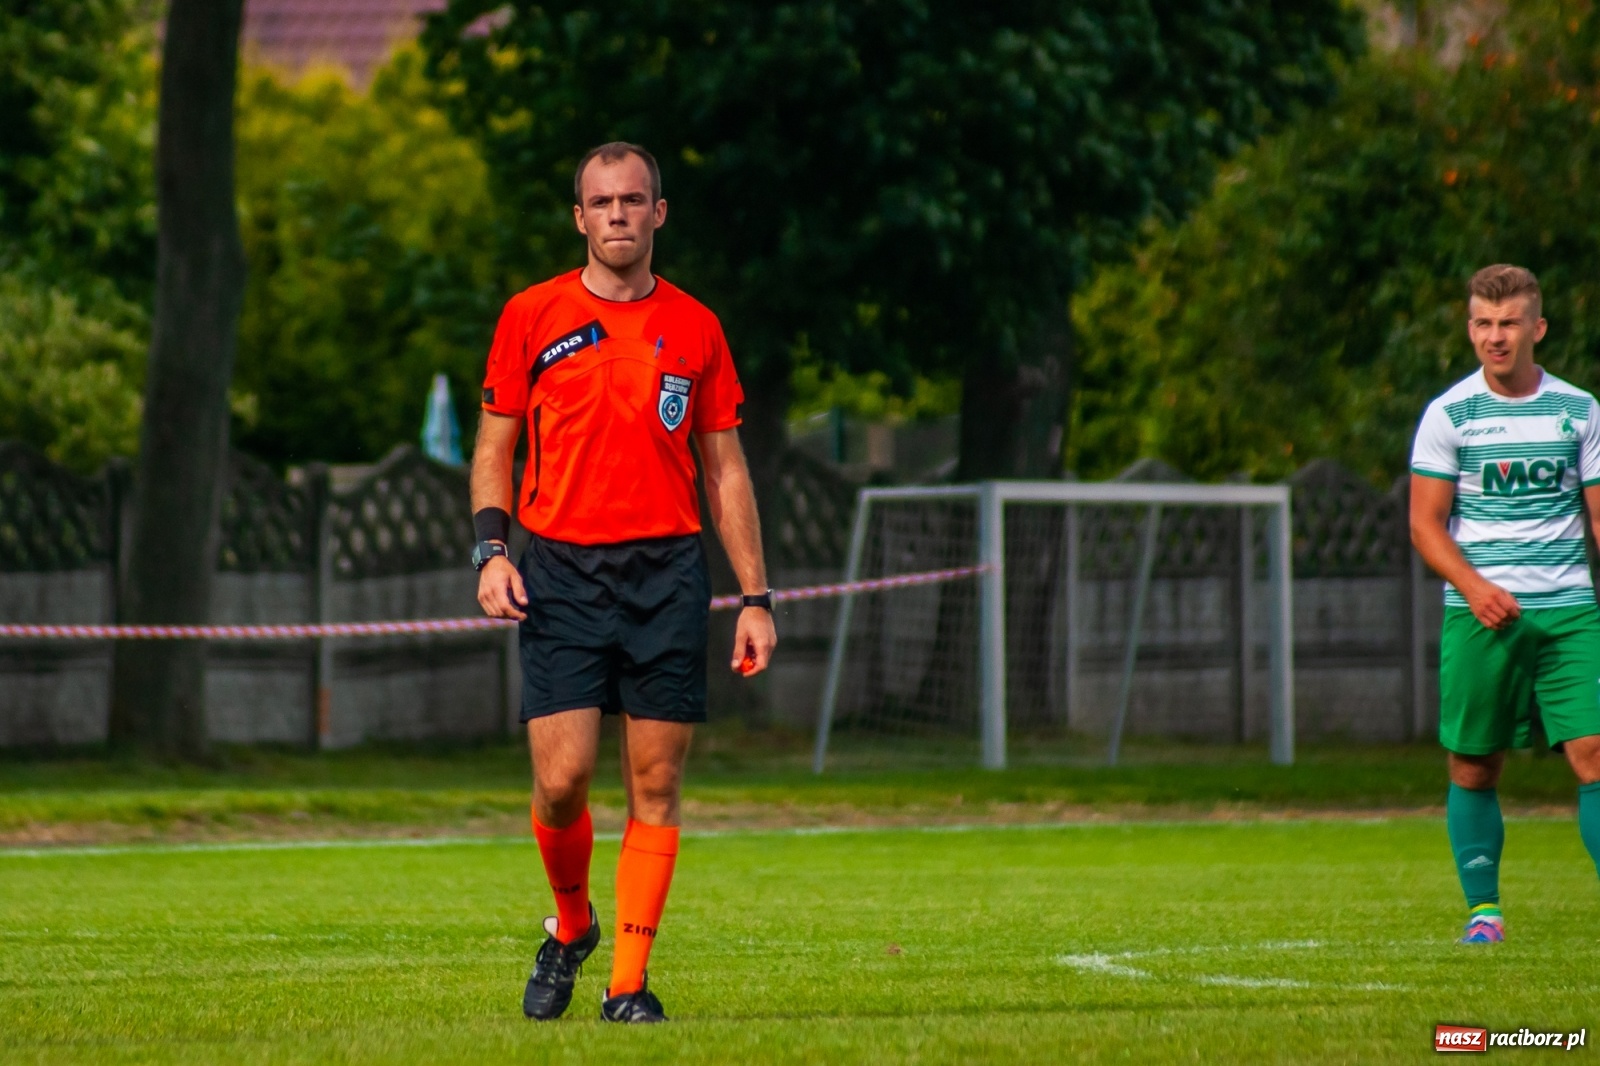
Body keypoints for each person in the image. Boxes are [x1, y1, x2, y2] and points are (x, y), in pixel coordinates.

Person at [469, 141, 777, 1022]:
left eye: (633, 200)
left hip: (668, 573)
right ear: (580, 218)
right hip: (560, 571)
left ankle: (629, 986)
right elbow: (495, 447)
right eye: (601, 202)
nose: (617, 215)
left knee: (657, 783)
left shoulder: (697, 326)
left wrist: (755, 598)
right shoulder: (530, 314)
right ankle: (572, 927)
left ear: (658, 213)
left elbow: (725, 470)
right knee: (561, 781)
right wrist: (491, 552)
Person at [1410, 264, 1600, 944]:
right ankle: (1484, 913)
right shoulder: (1449, 414)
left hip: (1570, 611)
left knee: (1595, 751)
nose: (1496, 336)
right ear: (1470, 329)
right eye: (1484, 323)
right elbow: (1425, 524)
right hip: (1480, 615)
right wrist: (1474, 587)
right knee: (1475, 763)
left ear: (1537, 328)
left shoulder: (1580, 410)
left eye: (1510, 323)